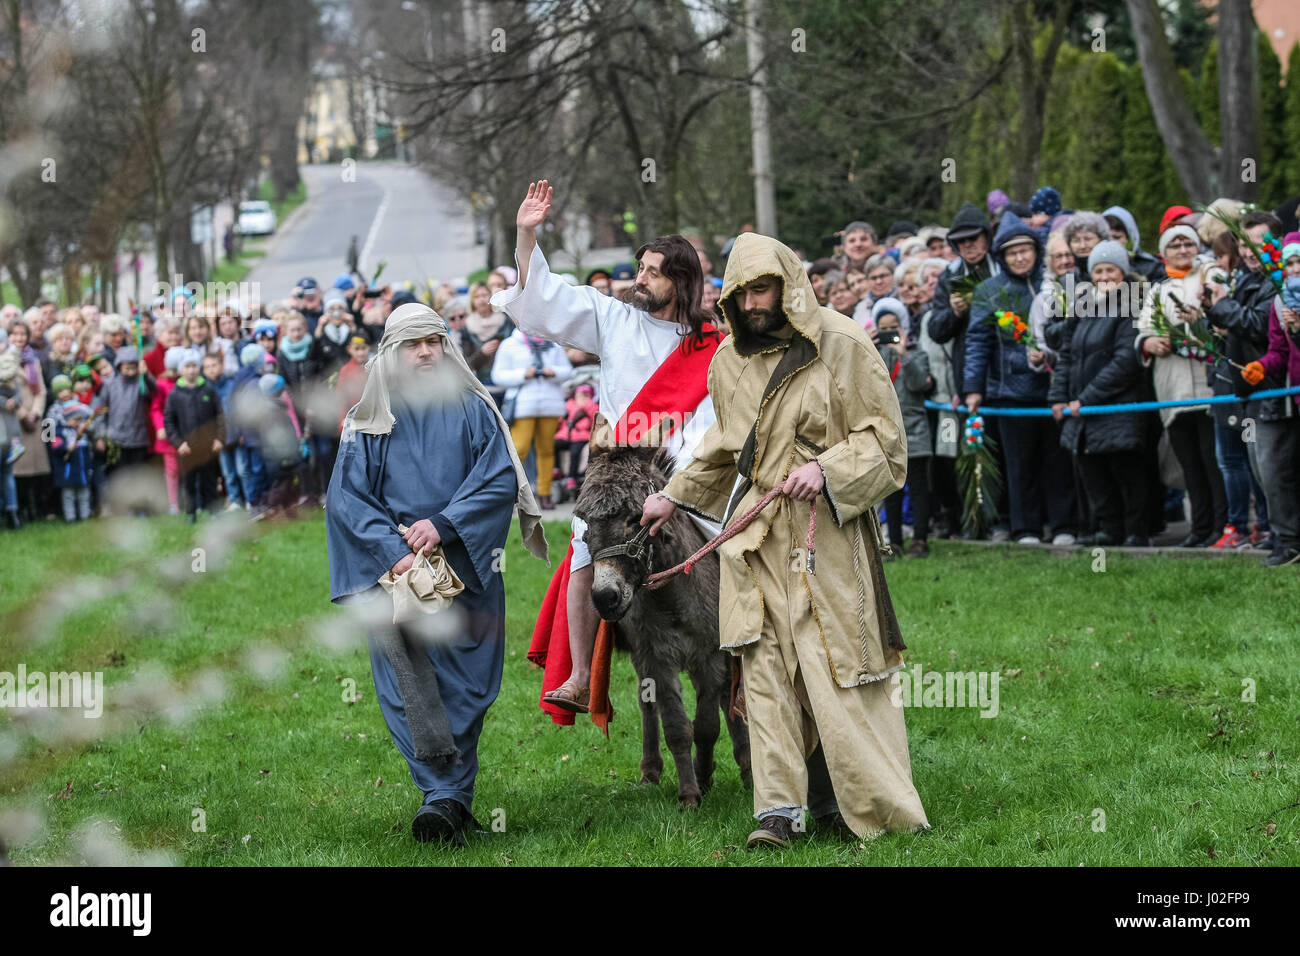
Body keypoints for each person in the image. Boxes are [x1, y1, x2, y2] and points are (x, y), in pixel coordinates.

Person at [640, 231, 928, 849]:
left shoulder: (845, 345)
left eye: (763, 288)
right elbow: (726, 443)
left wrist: (826, 470)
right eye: (740, 293)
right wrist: (676, 493)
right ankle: (778, 812)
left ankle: (870, 804)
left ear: (790, 284)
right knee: (764, 671)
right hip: (756, 539)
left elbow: (887, 444)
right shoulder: (728, 361)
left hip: (827, 534)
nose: (752, 304)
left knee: (836, 666)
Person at [493, 179, 721, 720]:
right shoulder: (613, 318)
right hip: (621, 467)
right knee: (584, 540)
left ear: (681, 282)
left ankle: (733, 663)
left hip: (689, 469)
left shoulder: (713, 343)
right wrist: (526, 235)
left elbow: (715, 419)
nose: (638, 279)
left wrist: (689, 477)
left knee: (730, 542)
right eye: (639, 268)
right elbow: (545, 298)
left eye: (652, 272)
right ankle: (576, 675)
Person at [326, 303, 546, 846]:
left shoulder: (472, 408)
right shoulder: (369, 418)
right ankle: (442, 797)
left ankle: (449, 795)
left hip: (464, 566)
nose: (424, 351)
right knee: (412, 685)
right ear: (391, 353)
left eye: (433, 341)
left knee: (469, 687)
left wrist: (443, 525)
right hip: (396, 575)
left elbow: (497, 480)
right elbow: (346, 499)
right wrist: (391, 552)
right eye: (411, 343)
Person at [964, 211, 1077, 545]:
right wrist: (973, 387)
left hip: (1054, 387)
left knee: (1058, 460)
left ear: (1036, 251)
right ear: (1002, 257)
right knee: (1019, 464)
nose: (1020, 257)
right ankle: (1025, 528)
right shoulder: (989, 290)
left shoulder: (1053, 285)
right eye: (1012, 252)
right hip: (1009, 392)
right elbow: (977, 341)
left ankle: (1063, 525)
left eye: (1025, 250)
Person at [1048, 241, 1151, 546]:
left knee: (1126, 472)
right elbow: (1067, 355)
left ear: (1123, 272)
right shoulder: (1082, 309)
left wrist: (1087, 399)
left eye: (1111, 270)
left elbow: (1125, 361)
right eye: (1098, 270)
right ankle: (1109, 529)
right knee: (1094, 473)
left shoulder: (1132, 307)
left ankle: (1136, 532)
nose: (1104, 276)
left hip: (1117, 407)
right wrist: (1057, 398)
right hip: (1082, 411)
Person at [1136, 223, 1228, 547]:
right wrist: (1150, 343)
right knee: (1189, 463)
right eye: (1175, 246)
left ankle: (1222, 526)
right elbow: (1143, 330)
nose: (1183, 250)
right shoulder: (1158, 289)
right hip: (1173, 390)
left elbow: (1223, 319)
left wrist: (1199, 323)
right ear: (1164, 253)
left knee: (1213, 460)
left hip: (1207, 389)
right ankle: (1199, 528)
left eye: (1187, 244)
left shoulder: (1210, 276)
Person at [1241, 232, 1300, 566]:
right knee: (1277, 471)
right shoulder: (1279, 303)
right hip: (1286, 397)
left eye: (1299, 262)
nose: (1294, 269)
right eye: (1288, 263)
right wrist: (1260, 367)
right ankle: (1289, 541)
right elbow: (1278, 351)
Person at [873, 300, 933, 557]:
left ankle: (920, 539)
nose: (890, 332)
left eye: (894, 327)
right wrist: (870, 345)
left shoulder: (918, 354)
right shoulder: (873, 354)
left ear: (904, 326)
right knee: (892, 488)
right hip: (888, 431)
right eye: (883, 328)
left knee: (919, 487)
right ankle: (894, 542)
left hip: (916, 428)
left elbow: (922, 383)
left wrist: (904, 354)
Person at [490, 328, 573, 509]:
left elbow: (568, 371)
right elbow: (497, 375)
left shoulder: (553, 342)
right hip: (523, 406)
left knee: (546, 451)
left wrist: (554, 372)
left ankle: (545, 493)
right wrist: (523, 374)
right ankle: (512, 493)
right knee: (519, 450)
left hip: (550, 404)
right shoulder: (510, 344)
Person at [164, 348, 224, 522]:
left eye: (194, 366)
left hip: (207, 445)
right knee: (189, 482)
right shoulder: (175, 394)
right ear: (181, 370)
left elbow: (219, 415)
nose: (191, 370)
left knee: (210, 481)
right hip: (187, 448)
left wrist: (219, 438)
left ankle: (214, 510)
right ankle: (191, 512)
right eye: (187, 366)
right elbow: (169, 421)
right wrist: (178, 443)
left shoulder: (208, 389)